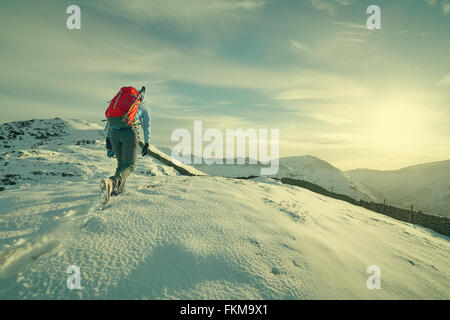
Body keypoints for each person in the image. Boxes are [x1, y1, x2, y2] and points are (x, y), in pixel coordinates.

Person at [101, 86, 150, 203]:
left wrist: (108, 139)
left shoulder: (120, 103)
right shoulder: (142, 106)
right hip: (129, 133)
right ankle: (112, 182)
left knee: (121, 164)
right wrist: (147, 142)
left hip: (114, 133)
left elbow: (110, 121)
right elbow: (147, 126)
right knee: (129, 165)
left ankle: (115, 190)